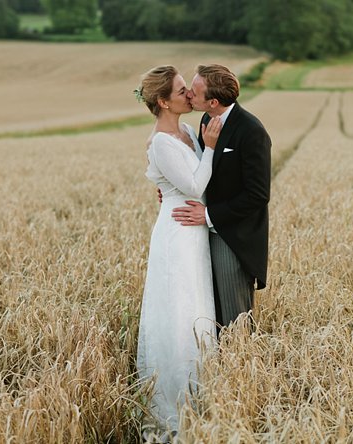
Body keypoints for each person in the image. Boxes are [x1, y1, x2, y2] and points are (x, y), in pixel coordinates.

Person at [134, 65, 223, 437]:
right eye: (182, 90)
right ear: (163, 101)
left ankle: (203, 398)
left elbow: (189, 185)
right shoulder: (161, 142)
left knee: (197, 307)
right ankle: (173, 408)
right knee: (178, 313)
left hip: (193, 231)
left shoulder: (186, 131)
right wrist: (213, 149)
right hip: (177, 235)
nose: (191, 95)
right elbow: (194, 184)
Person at [171, 64, 272, 330]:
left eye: (194, 91)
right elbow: (201, 172)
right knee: (209, 310)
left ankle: (240, 366)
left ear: (213, 101)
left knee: (234, 316)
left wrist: (207, 215)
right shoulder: (206, 120)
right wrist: (173, 190)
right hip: (204, 231)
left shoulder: (251, 131)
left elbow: (258, 195)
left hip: (234, 236)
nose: (189, 95)